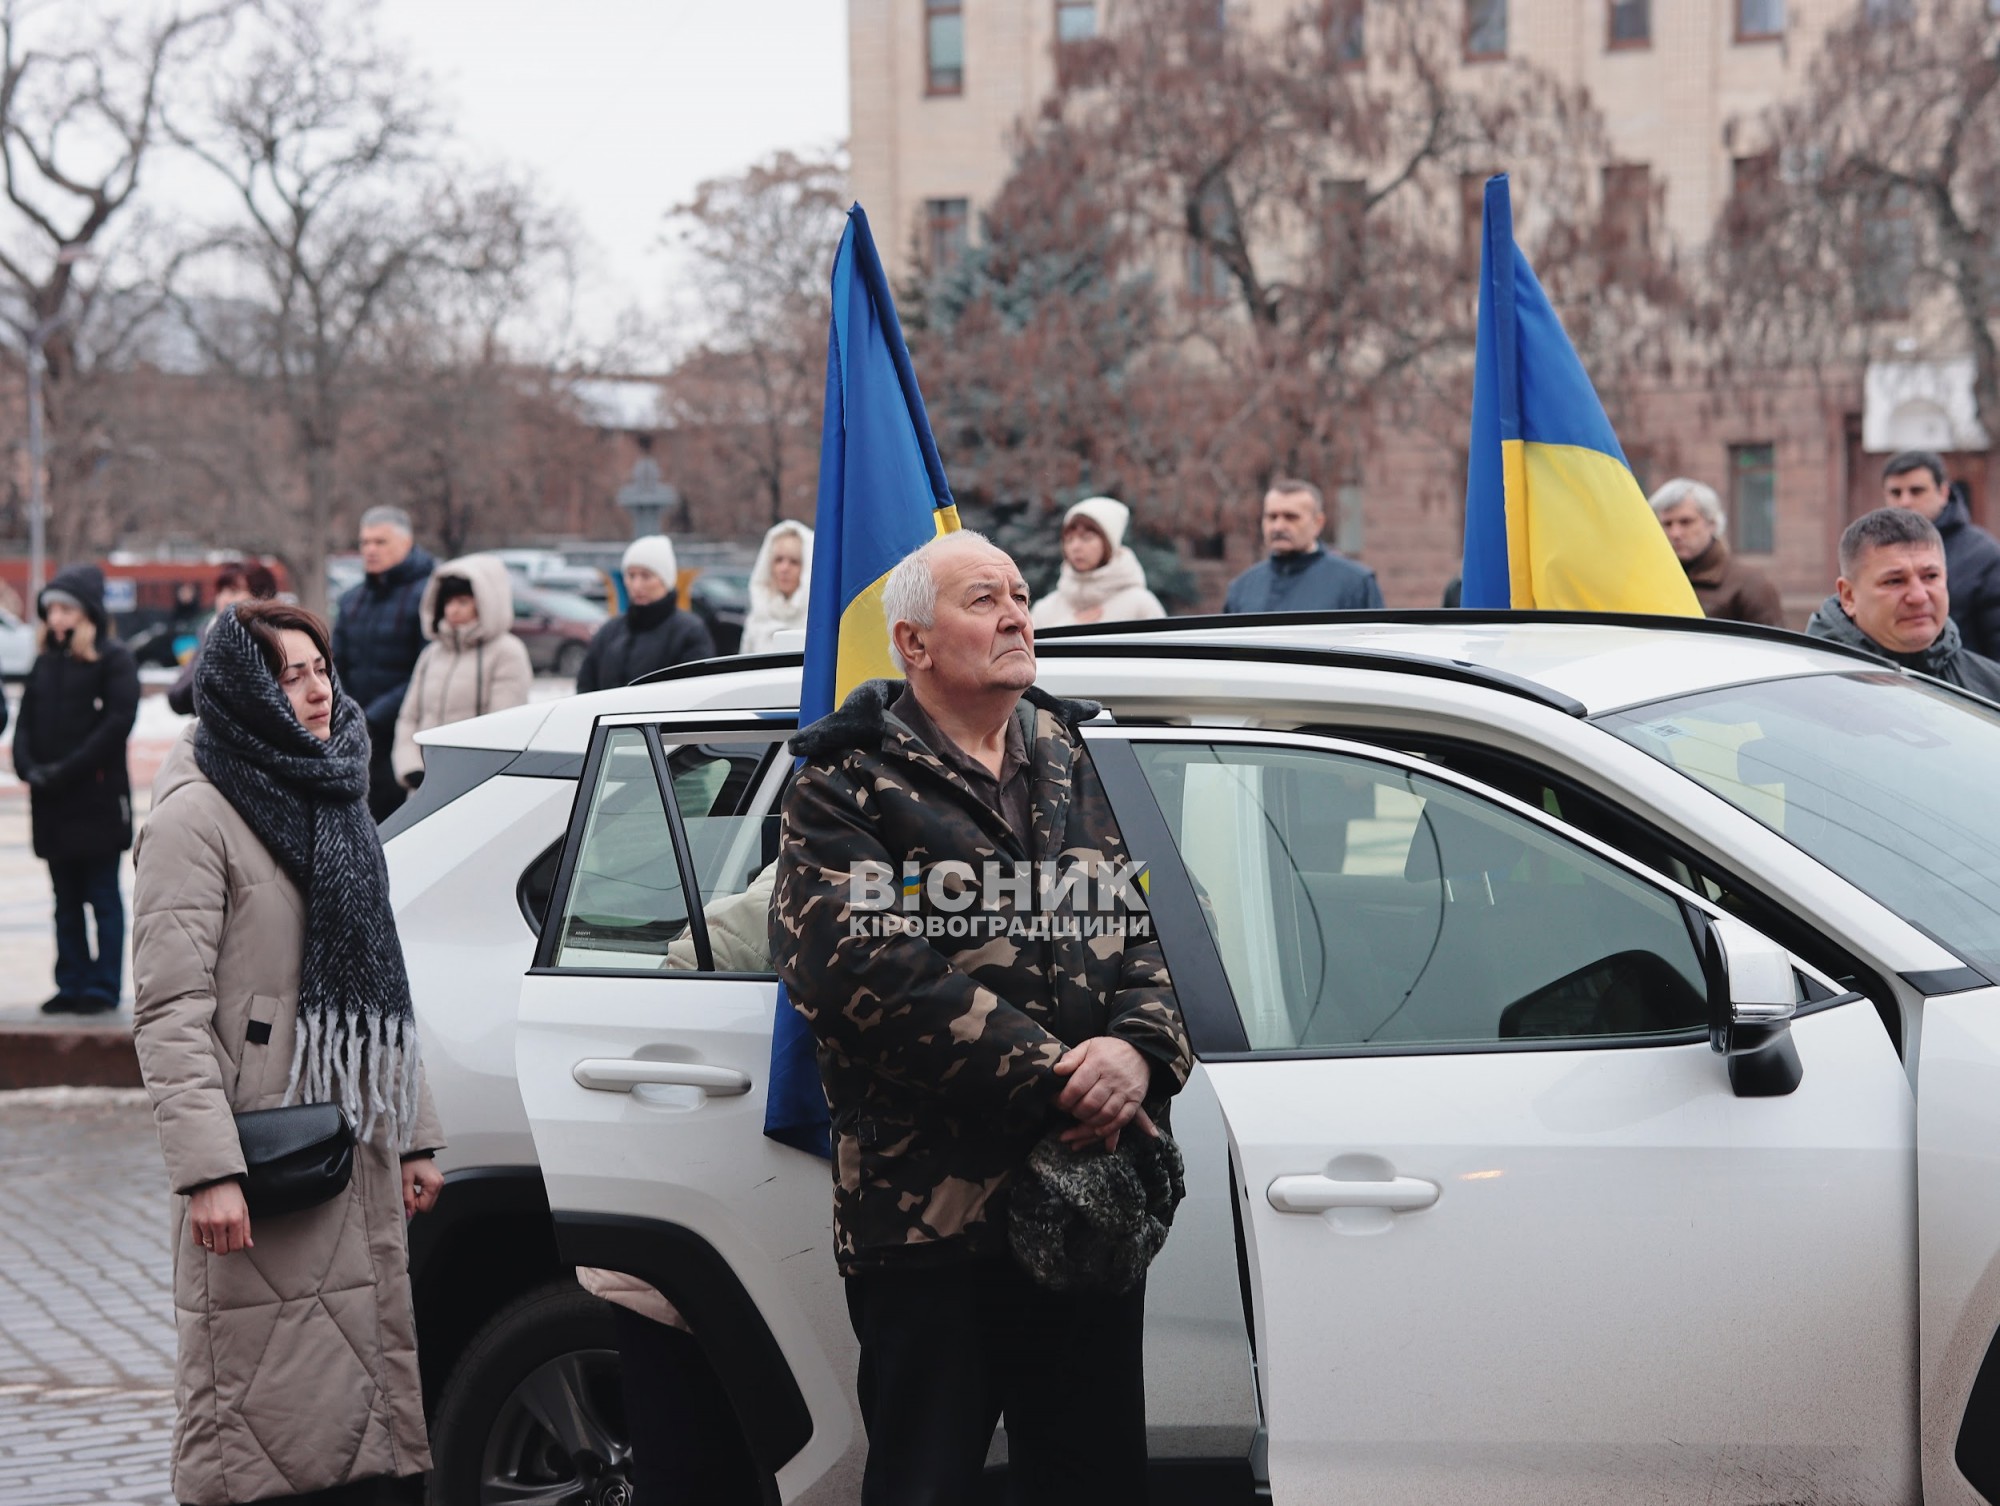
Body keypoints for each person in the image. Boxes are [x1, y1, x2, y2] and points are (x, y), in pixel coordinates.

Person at [773, 531, 1192, 1505]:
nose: (1015, 617)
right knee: (925, 1484)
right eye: (983, 600)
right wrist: (1060, 1078)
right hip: (929, 1225)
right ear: (913, 643)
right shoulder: (844, 781)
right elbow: (857, 969)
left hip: (1085, 1208)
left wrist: (1137, 1052)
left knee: (1092, 1484)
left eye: (1019, 596)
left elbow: (1165, 924)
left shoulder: (1074, 756)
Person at [132, 601, 445, 1506]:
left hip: (353, 1140)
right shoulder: (194, 817)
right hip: (264, 1162)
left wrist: (414, 1134)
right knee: (262, 1425)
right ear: (242, 692)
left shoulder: (336, 786)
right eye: (288, 676)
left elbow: (380, 981)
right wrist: (208, 1173)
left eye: (320, 670)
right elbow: (169, 1011)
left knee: (360, 1417)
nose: (315, 693)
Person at [12, 565, 140, 1016]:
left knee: (102, 895)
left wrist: (66, 770)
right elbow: (25, 721)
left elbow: (117, 723)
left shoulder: (112, 659)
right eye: (51, 610)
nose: (55, 618)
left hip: (95, 800)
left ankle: (103, 985)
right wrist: (26, 765)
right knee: (64, 899)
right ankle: (70, 981)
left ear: (87, 612)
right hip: (51, 800)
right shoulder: (46, 662)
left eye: (64, 609)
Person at [1806, 507, 2000, 699]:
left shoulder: (1991, 686)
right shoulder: (1804, 694)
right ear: (1849, 596)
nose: (1919, 597)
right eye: (1894, 581)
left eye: (1930, 576)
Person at [391, 554, 533, 790]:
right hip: (425, 785)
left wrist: (474, 777)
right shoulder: (432, 654)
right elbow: (409, 718)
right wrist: (411, 768)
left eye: (463, 602)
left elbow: (504, 726)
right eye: (448, 602)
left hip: (476, 787)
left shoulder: (507, 652)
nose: (453, 610)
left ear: (486, 602)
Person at [332, 505, 435, 821]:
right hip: (355, 734)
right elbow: (336, 665)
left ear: (406, 543)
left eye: (380, 542)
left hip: (407, 739)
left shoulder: (429, 595)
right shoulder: (352, 599)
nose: (370, 550)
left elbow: (427, 671)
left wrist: (373, 717)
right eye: (365, 542)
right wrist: (344, 712)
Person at [1881, 449, 2000, 658]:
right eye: (1896, 493)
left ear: (1943, 492)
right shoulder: (1871, 554)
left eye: (1916, 491)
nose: (1905, 502)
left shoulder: (1983, 555)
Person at [575, 535, 715, 692]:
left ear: (665, 580)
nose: (636, 585)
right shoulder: (609, 631)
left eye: (646, 576)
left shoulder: (689, 632)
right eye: (631, 575)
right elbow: (586, 686)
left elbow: (694, 692)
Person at [1222, 477, 1382, 613]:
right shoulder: (1243, 588)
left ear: (1318, 523)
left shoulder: (1355, 584)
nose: (1278, 526)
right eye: (1272, 517)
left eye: (1291, 517)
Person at [1647, 478, 1784, 627]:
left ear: (1712, 523)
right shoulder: (1652, 580)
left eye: (1686, 522)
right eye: (1667, 524)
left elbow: (1773, 640)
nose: (1675, 533)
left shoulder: (1750, 585)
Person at [1030, 497, 1168, 628]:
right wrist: (1069, 626)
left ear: (1109, 543)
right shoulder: (1044, 611)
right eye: (1069, 539)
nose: (1075, 547)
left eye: (1086, 538)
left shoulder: (1141, 606)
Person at [167, 563, 279, 716]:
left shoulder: (271, 641)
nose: (224, 599)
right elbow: (178, 696)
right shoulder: (211, 633)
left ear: (261, 597)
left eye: (234, 591)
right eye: (220, 592)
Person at [742, 520, 814, 653]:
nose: (784, 568)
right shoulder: (757, 617)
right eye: (778, 560)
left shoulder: (819, 620)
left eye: (794, 562)